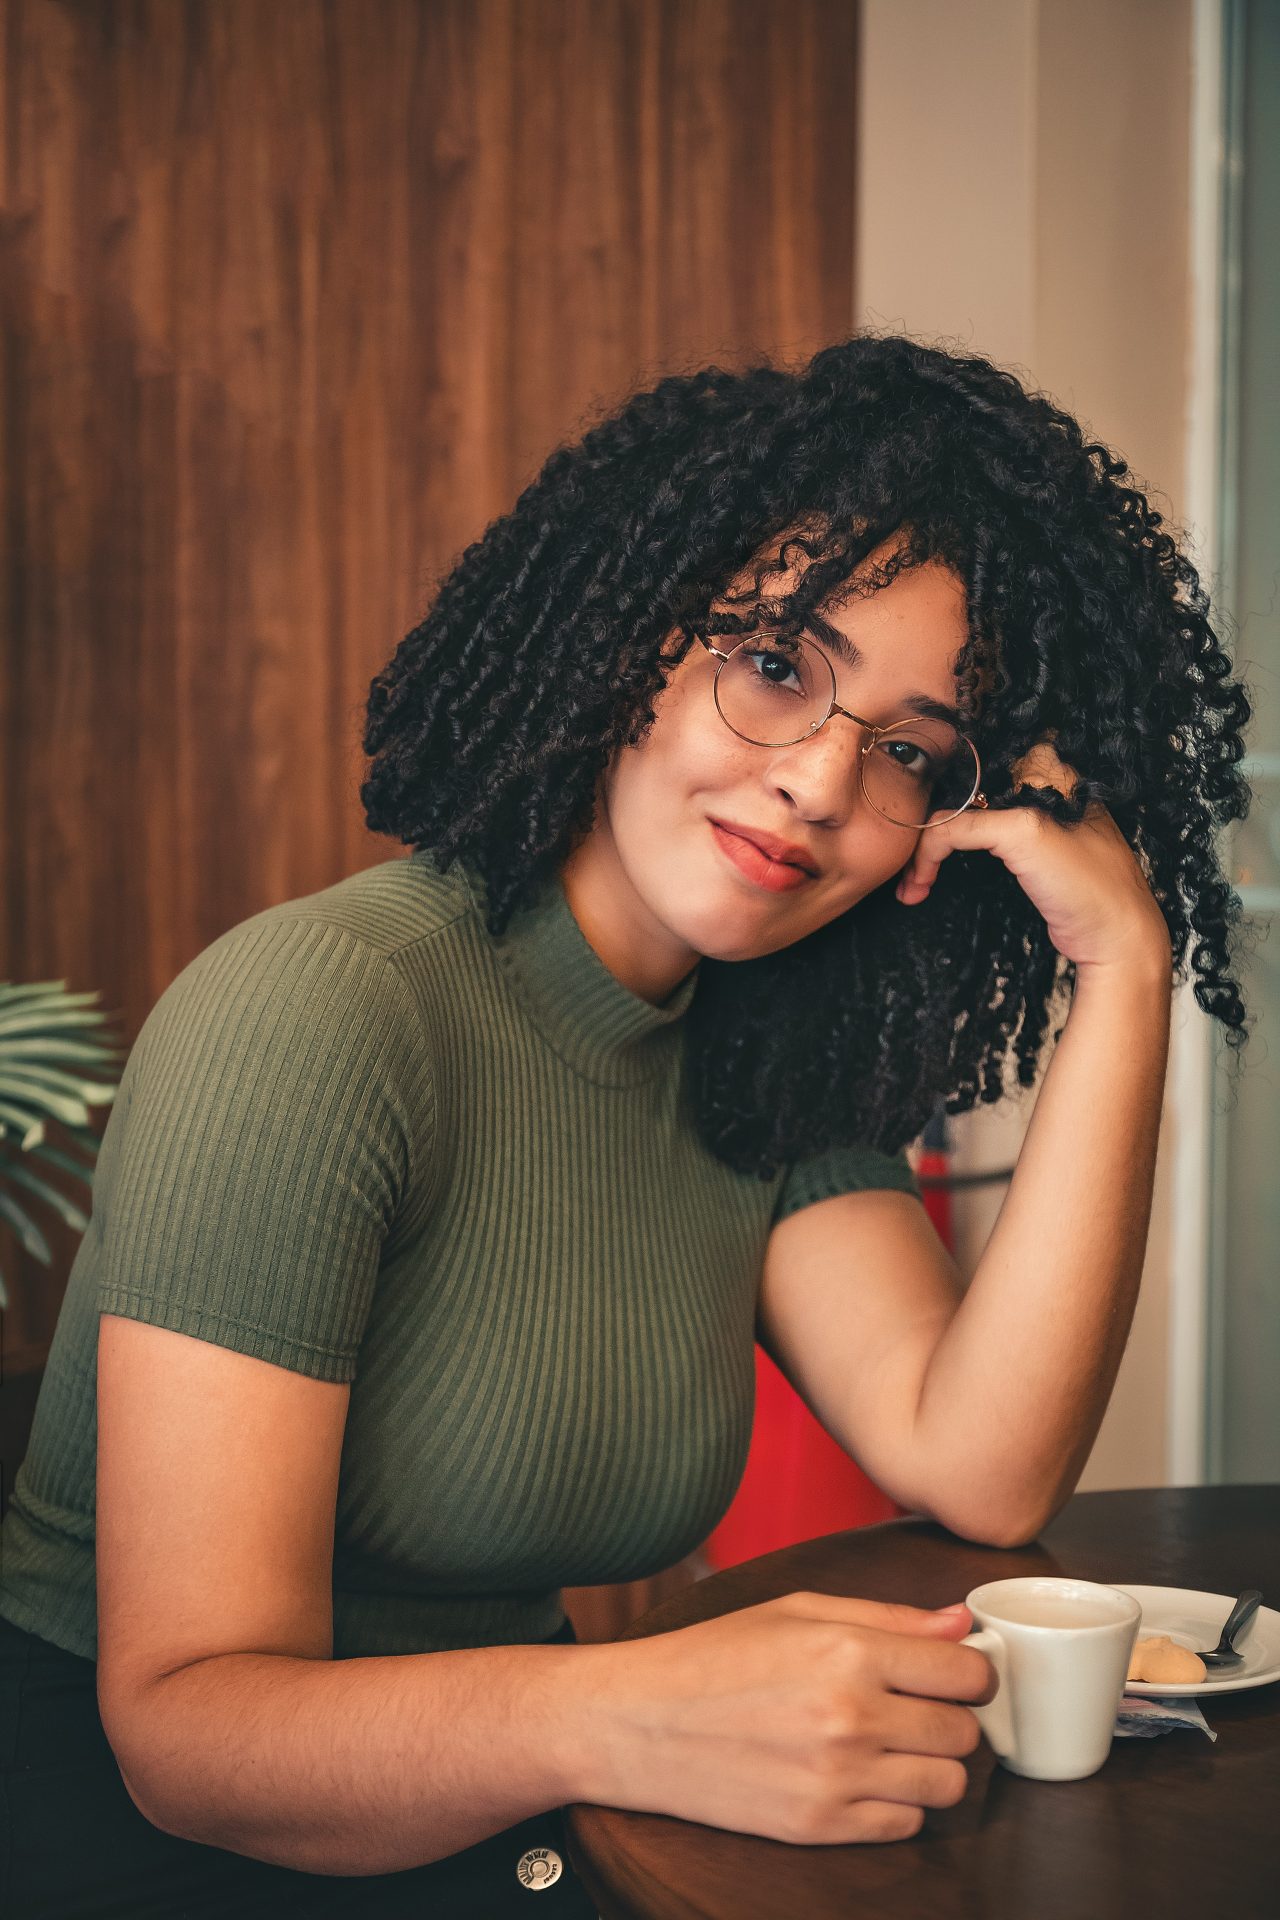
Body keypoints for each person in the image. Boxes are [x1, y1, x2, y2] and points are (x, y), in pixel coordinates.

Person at [0, 331, 1252, 1917]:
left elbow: (980, 1463)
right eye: (782, 666)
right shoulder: (320, 1011)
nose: (816, 786)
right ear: (628, 639)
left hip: (517, 1809)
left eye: (909, 754)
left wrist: (1124, 966)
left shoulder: (760, 1054)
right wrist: (651, 1705)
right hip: (167, 1857)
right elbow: (187, 1735)